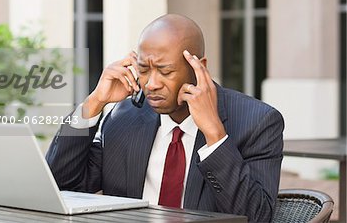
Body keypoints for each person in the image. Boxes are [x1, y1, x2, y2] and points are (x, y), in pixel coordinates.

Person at [46, 14, 284, 222]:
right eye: (144, 69)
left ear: (198, 67)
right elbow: (61, 187)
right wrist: (94, 102)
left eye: (166, 71)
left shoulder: (257, 122)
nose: (151, 84)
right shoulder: (124, 118)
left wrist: (215, 135)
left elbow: (255, 217)